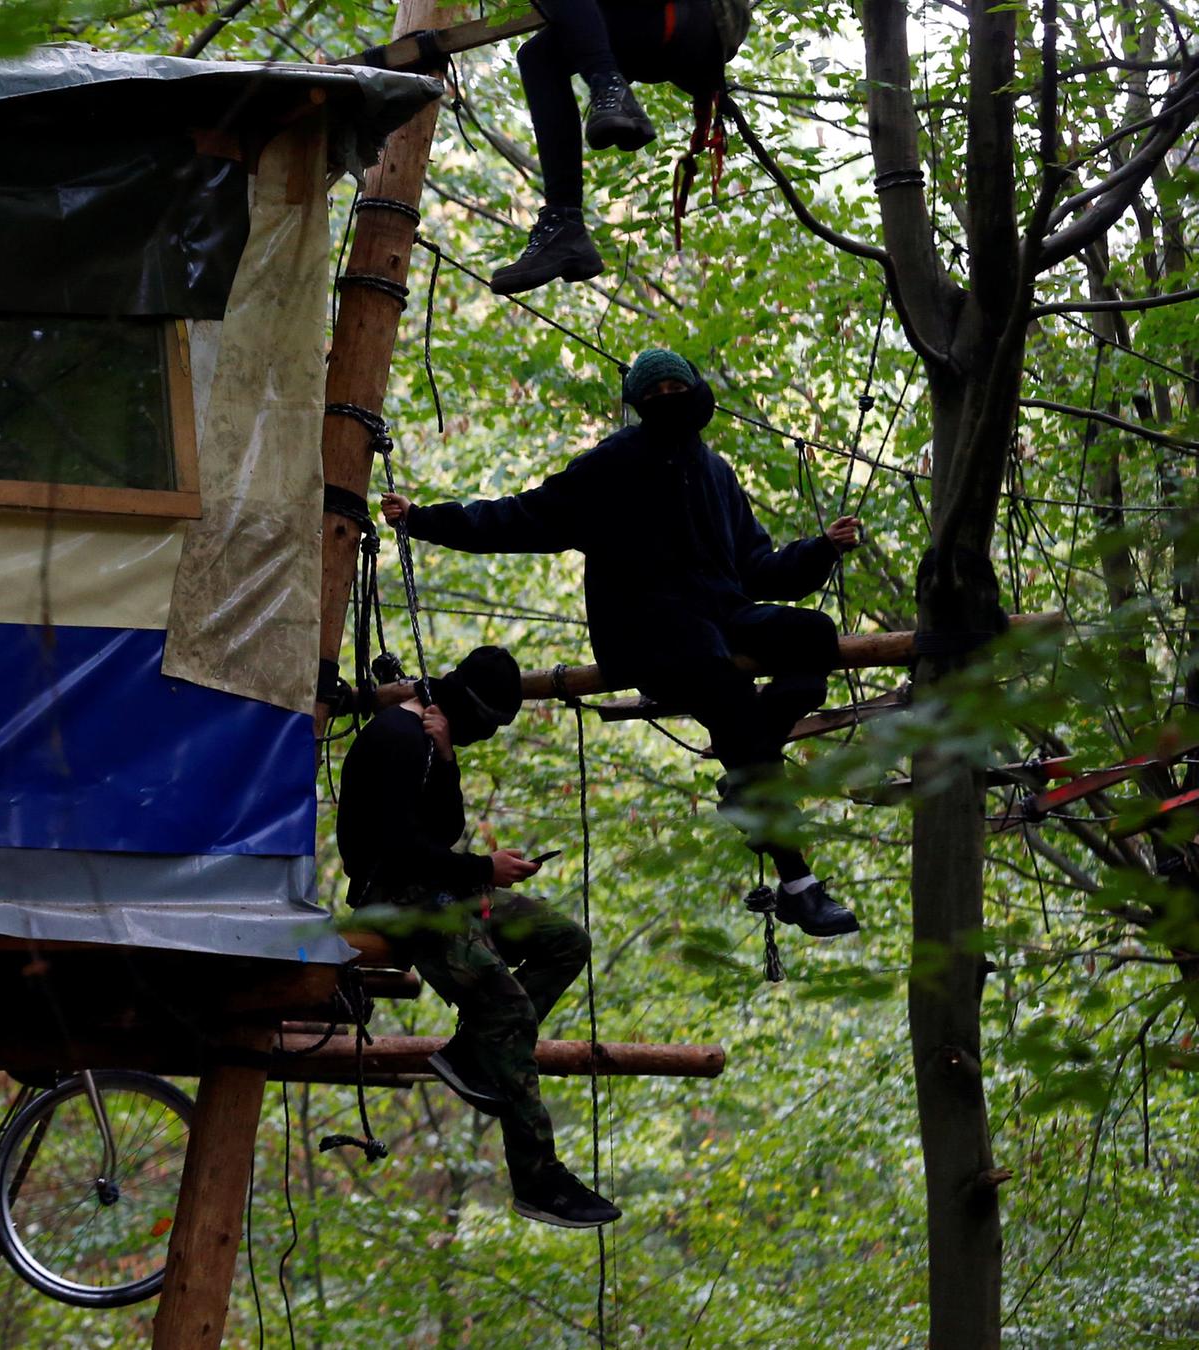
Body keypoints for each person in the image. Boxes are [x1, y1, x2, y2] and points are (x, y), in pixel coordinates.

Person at [384, 349, 863, 937]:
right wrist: (424, 519)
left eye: (674, 388)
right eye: (654, 392)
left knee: (813, 635)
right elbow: (520, 517)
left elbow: (759, 568)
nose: (667, 399)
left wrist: (821, 549)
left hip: (722, 617)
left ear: (693, 390)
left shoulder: (716, 473)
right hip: (646, 633)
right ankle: (798, 883)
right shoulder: (610, 466)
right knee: (725, 687)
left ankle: (751, 770)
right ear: (637, 404)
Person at [339, 644, 618, 1229]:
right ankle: (538, 1179)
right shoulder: (394, 737)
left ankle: (469, 1052)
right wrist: (484, 869)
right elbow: (400, 851)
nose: (483, 737)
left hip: (440, 888)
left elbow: (445, 832)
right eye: (486, 726)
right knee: (508, 1009)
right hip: (392, 899)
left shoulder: (431, 736)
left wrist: (446, 761)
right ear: (470, 708)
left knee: (566, 941)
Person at [491, 0, 752, 295]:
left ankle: (610, 86)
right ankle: (564, 220)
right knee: (538, 57)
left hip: (695, 19)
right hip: (647, 35)